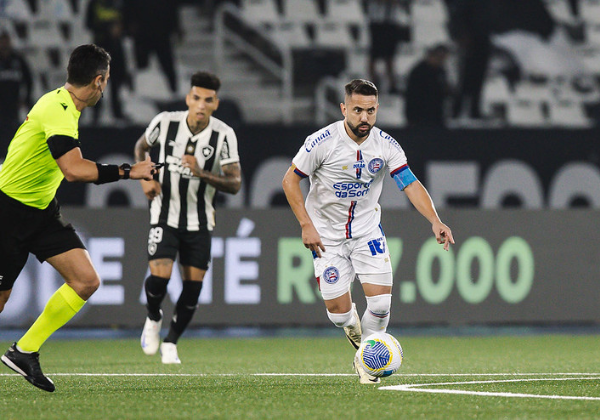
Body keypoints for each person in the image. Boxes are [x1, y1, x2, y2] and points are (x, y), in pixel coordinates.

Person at [0, 44, 156, 392]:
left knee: (86, 281)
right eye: (108, 80)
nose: (107, 86)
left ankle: (24, 351)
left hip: (41, 210)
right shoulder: (57, 108)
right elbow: (73, 170)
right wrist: (130, 172)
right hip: (8, 211)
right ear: (99, 81)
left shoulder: (65, 106)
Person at [282, 79, 454, 384]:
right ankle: (357, 338)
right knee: (337, 312)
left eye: (371, 111)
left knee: (381, 304)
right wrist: (306, 225)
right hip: (326, 237)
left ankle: (368, 364)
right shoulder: (322, 141)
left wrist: (435, 220)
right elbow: (290, 181)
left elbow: (410, 184)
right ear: (344, 108)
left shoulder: (386, 145)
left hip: (366, 233)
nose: (365, 117)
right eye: (358, 110)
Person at [135, 71, 241, 364]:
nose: (201, 105)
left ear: (216, 103)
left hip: (200, 221)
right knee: (160, 277)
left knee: (193, 289)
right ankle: (153, 317)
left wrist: (201, 173)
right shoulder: (165, 122)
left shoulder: (224, 134)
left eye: (208, 100)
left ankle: (171, 342)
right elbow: (142, 146)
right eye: (196, 98)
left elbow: (234, 184)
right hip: (164, 213)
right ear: (188, 98)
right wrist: (146, 177)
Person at [85, 0, 133, 124]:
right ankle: (95, 114)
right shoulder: (94, 3)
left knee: (116, 82)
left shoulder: (120, 3)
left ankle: (117, 113)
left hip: (116, 49)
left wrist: (121, 29)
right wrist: (107, 28)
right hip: (100, 48)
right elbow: (89, 24)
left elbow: (128, 23)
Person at [0, 30, 33, 154]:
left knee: (12, 130)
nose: (4, 44)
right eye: (1, 42)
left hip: (13, 103)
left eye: (6, 41)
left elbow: (29, 80)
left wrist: (25, 98)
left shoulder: (18, 60)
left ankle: (12, 156)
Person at [366, 0, 409, 94]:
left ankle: (392, 84)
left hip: (392, 24)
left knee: (390, 56)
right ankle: (373, 81)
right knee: (374, 55)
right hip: (377, 23)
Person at [404, 44, 451, 127]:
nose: (441, 61)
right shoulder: (419, 72)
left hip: (435, 116)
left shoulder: (440, 71)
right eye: (439, 58)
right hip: (419, 116)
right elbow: (413, 96)